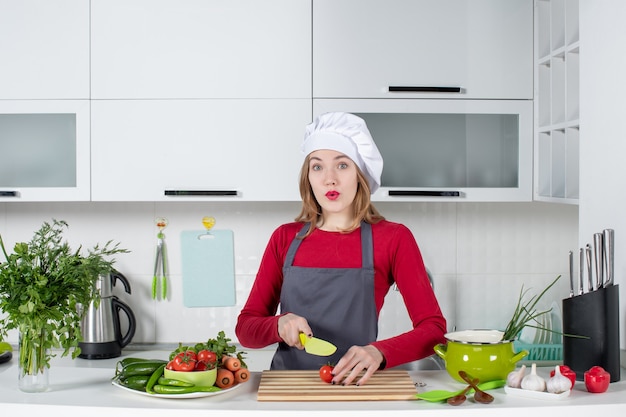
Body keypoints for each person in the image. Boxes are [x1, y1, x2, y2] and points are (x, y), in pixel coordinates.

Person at [235, 112, 446, 386]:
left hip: (356, 388)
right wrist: (277, 325)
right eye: (317, 167)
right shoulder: (284, 238)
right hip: (287, 388)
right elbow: (246, 329)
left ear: (360, 174)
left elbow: (434, 330)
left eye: (343, 165)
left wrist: (380, 352)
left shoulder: (393, 238)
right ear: (308, 176)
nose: (329, 179)